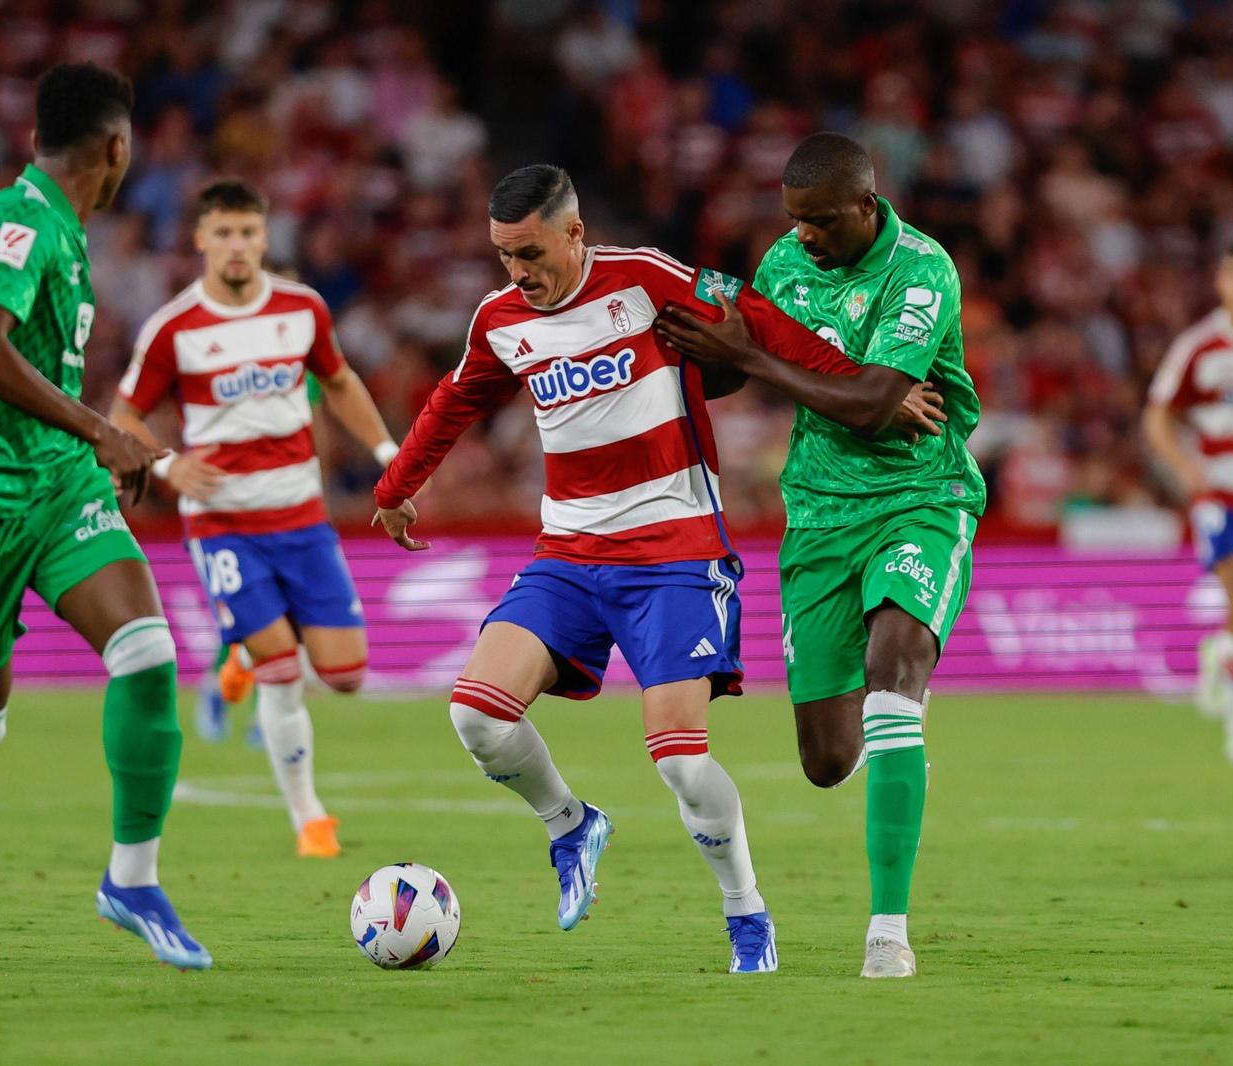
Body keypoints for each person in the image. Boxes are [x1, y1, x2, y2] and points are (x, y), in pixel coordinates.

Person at [373, 164, 942, 973]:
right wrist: (396, 489)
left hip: (675, 554)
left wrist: (870, 391)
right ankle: (571, 824)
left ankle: (745, 910)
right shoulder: (500, 320)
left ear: (574, 232)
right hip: (568, 554)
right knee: (477, 717)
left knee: (678, 758)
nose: (518, 272)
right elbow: (453, 399)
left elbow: (760, 323)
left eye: (530, 252)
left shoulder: (644, 278)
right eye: (504, 255)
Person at [0, 64, 212, 970]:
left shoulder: (62, 230)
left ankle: (132, 880)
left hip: (59, 485)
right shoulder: (22, 221)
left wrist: (87, 445)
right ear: (116, 148)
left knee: (147, 653)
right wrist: (103, 430)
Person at [656, 132, 983, 978]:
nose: (803, 235)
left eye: (821, 221)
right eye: (794, 219)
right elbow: (735, 370)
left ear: (866, 206)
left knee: (894, 676)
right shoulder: (785, 263)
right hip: (818, 518)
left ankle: (888, 933)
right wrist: (689, 343)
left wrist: (754, 357)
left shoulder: (921, 270)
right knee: (827, 762)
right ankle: (888, 742)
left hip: (920, 497)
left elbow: (874, 403)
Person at [110, 179, 401, 858]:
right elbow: (124, 415)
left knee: (346, 675)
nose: (236, 245)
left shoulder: (302, 309)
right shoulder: (174, 327)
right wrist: (166, 466)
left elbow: (339, 382)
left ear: (265, 237)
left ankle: (242, 646)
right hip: (225, 523)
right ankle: (309, 818)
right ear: (200, 239)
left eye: (247, 232)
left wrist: (390, 456)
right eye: (223, 233)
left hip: (301, 519)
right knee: (282, 668)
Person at [1144, 238, 1233, 767]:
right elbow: (1157, 415)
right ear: (1221, 282)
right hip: (1221, 495)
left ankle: (1221, 653)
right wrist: (1185, 468)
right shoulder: (1199, 345)